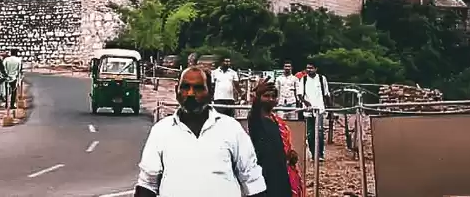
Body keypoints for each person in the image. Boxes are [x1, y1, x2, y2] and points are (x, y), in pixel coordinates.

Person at [133, 66, 266, 197]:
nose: (190, 93)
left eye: (198, 88)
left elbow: (252, 180)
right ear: (176, 91)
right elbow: (147, 184)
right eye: (185, 87)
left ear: (211, 92)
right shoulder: (161, 130)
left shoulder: (231, 129)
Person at [248, 80, 301, 197]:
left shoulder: (277, 121)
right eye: (266, 96)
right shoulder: (256, 120)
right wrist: (257, 96)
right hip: (265, 171)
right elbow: (255, 110)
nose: (271, 99)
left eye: (273, 96)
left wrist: (290, 154)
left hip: (281, 170)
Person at [298, 62, 331, 161]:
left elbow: (326, 94)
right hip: (308, 110)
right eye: (307, 68)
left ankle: (320, 154)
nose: (309, 70)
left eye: (311, 68)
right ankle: (313, 154)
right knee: (310, 133)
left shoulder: (322, 79)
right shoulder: (303, 79)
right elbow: (300, 94)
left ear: (316, 69)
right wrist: (306, 102)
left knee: (319, 132)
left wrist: (330, 111)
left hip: (319, 109)